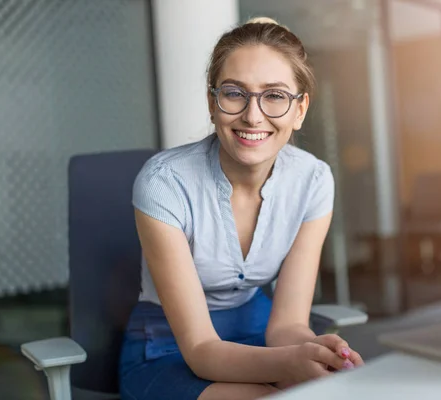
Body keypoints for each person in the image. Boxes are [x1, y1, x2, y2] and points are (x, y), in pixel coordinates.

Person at [118, 16, 364, 400]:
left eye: (275, 95)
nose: (253, 115)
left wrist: (315, 352)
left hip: (261, 337)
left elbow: (287, 327)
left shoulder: (313, 181)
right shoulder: (164, 183)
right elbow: (201, 351)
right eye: (235, 93)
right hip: (169, 350)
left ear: (300, 110)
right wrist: (290, 364)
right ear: (212, 103)